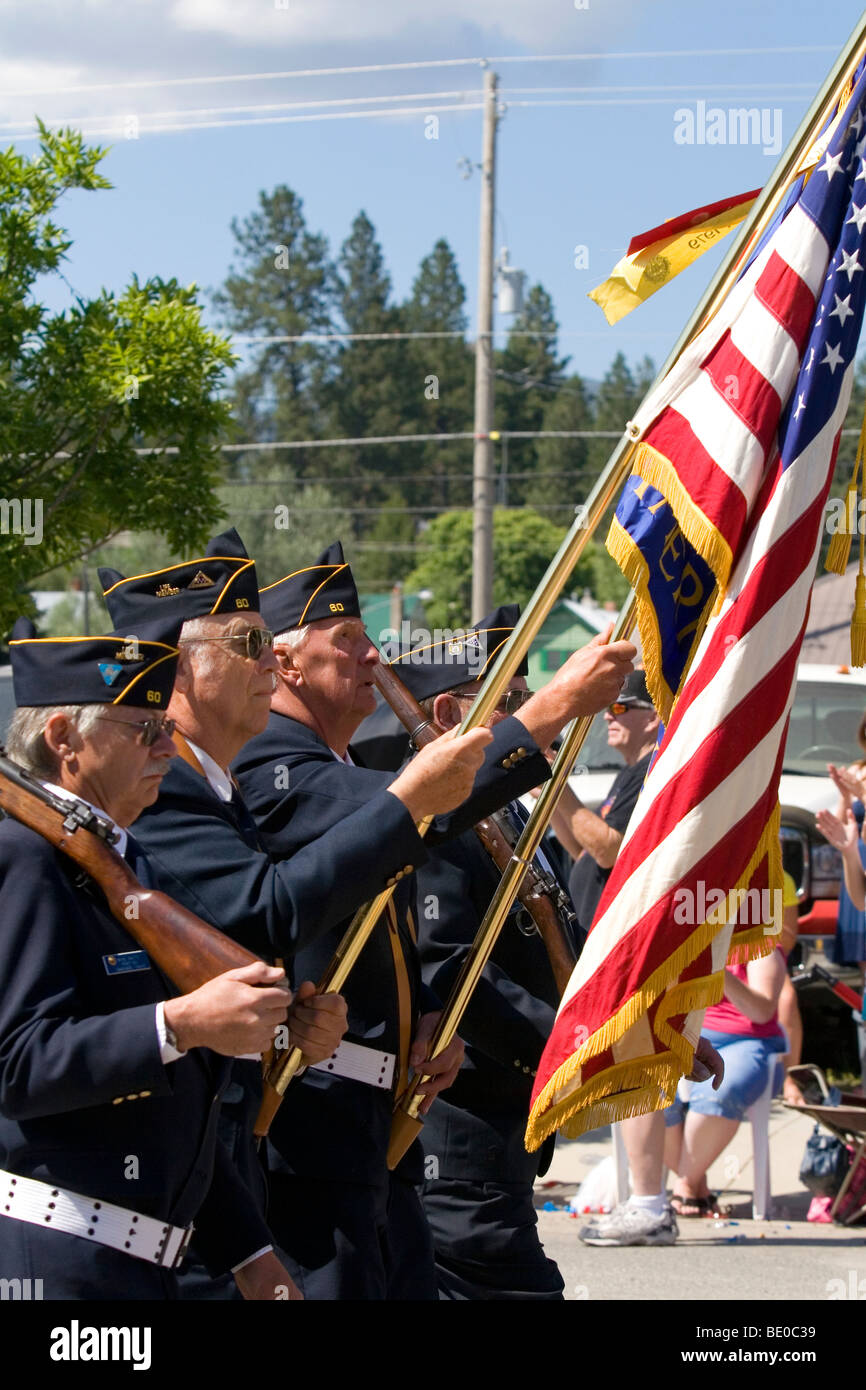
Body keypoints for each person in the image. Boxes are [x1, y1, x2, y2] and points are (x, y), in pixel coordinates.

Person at [231, 542, 637, 1299]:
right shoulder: (273, 763)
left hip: (381, 1131)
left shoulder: (339, 767)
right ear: (286, 664)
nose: (371, 654)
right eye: (345, 641)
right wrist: (552, 709)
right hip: (314, 1135)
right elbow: (419, 809)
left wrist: (430, 1023)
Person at [98, 530, 493, 1300]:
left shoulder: (219, 787)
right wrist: (539, 721)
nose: (263, 663)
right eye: (246, 643)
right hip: (188, 1177)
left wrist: (293, 1023)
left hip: (261, 1157)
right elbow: (266, 914)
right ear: (182, 669)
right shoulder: (207, 786)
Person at [0, 620, 298, 1300]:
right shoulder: (23, 857)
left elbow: (175, 1103)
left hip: (144, 1261)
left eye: (166, 726)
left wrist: (247, 1248)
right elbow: (17, 1064)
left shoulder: (123, 863)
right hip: (59, 1257)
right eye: (144, 730)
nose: (168, 745)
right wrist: (177, 1024)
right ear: (62, 740)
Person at [387, 606, 574, 1300]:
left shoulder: (504, 805)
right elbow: (452, 965)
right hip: (455, 1129)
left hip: (503, 1122)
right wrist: (570, 1045)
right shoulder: (429, 818)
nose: (533, 719)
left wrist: (639, 1026)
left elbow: (554, 933)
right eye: (514, 704)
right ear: (445, 712)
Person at [664, 913, 789, 1217]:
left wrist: (721, 969)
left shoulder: (759, 940)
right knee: (655, 1093)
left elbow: (762, 1011)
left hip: (748, 1042)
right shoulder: (686, 933)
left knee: (719, 1090)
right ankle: (695, 1186)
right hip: (693, 1038)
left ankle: (685, 1185)